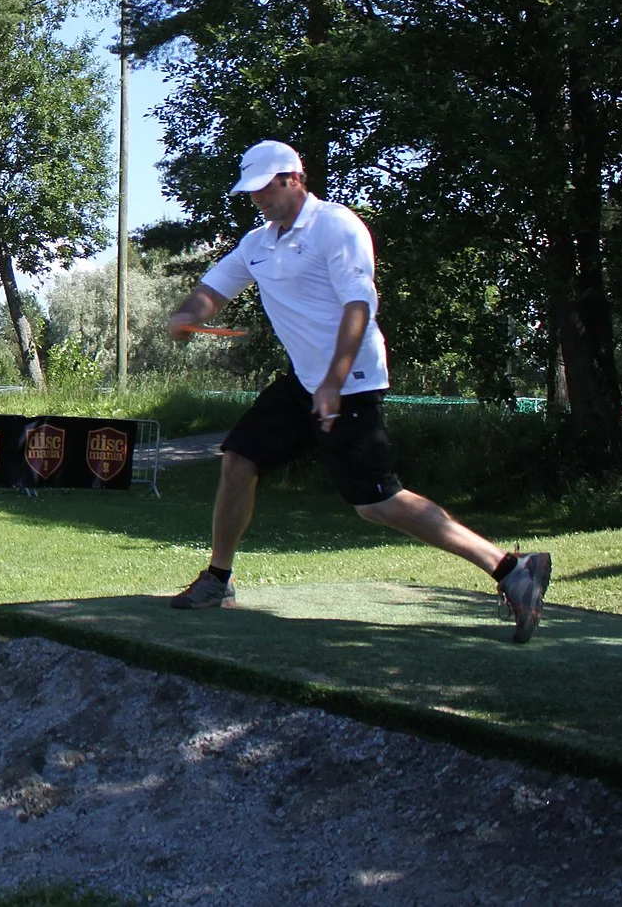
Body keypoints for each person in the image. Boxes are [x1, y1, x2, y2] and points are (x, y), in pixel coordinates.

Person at [164, 140, 552, 642]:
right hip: (304, 382)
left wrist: (332, 382)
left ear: (292, 179)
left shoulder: (338, 227)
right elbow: (214, 289)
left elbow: (357, 307)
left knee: (377, 502)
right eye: (251, 191)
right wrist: (188, 315)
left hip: (350, 382)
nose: (257, 198)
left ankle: (511, 568)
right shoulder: (257, 243)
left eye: (264, 188)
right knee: (239, 457)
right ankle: (218, 580)